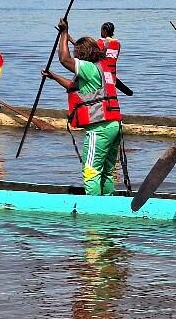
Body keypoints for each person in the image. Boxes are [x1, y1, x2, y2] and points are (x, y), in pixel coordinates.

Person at [41, 17, 123, 196]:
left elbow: (64, 58)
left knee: (91, 171)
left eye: (77, 53)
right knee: (107, 171)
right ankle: (108, 204)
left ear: (82, 55)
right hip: (113, 125)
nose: (75, 56)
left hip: (99, 127)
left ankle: (93, 214)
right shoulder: (103, 68)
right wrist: (53, 76)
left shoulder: (89, 68)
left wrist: (64, 33)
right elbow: (73, 87)